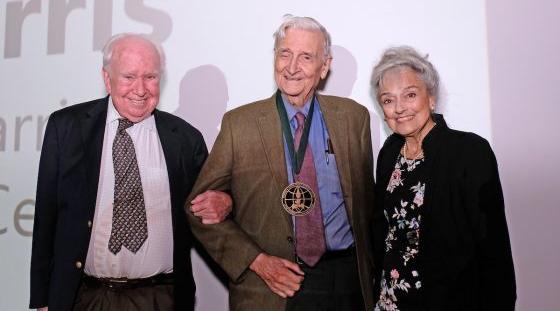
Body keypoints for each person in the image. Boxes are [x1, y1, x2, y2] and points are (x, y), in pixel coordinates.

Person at [185, 15, 376, 310]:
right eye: (284, 53)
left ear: (324, 66)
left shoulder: (354, 119)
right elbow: (197, 210)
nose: (292, 66)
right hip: (268, 287)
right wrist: (256, 261)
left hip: (345, 282)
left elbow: (367, 206)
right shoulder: (240, 124)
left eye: (306, 57)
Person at [29, 33, 232, 311]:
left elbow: (212, 210)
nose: (140, 89)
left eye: (150, 77)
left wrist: (227, 201)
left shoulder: (185, 139)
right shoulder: (67, 128)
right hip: (84, 297)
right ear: (106, 78)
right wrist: (42, 298)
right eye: (129, 77)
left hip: (160, 298)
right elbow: (46, 217)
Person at [370, 46, 516, 310]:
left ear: (432, 97)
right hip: (390, 302)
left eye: (410, 95)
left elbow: (494, 248)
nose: (399, 108)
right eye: (388, 100)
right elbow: (383, 233)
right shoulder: (389, 152)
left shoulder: (470, 152)